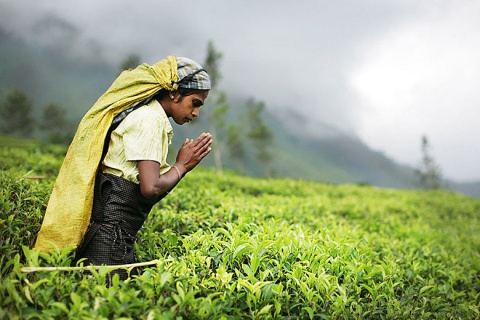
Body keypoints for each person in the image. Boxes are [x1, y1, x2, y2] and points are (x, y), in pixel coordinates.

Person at [34, 56, 212, 282]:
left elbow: (138, 195)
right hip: (110, 242)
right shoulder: (150, 119)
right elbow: (150, 188)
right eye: (195, 103)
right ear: (174, 93)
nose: (195, 113)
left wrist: (181, 167)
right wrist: (181, 166)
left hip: (113, 239)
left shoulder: (149, 116)